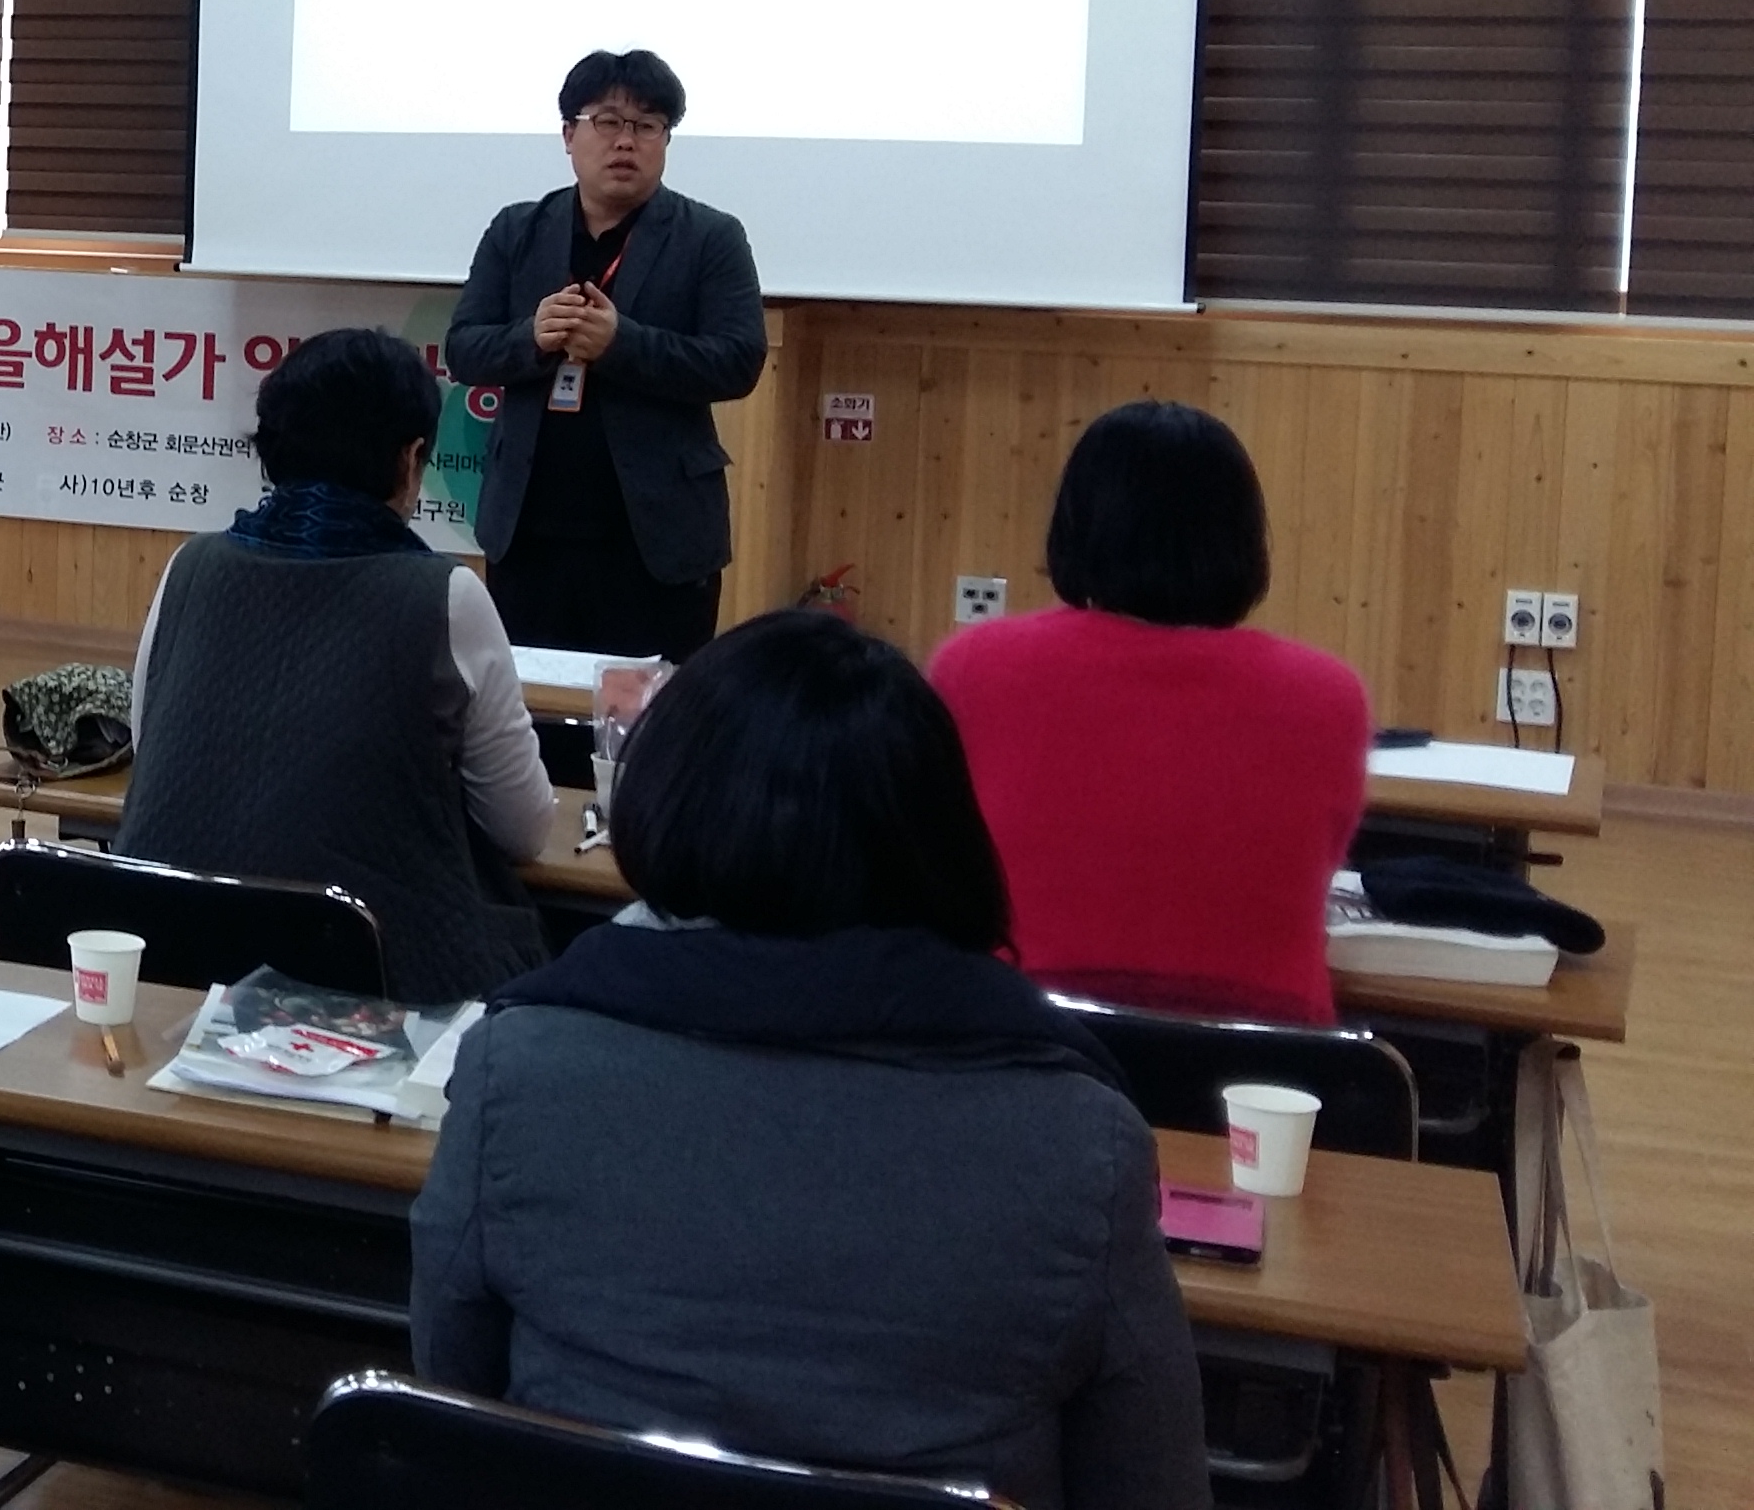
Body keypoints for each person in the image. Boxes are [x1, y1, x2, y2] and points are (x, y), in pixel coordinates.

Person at [411, 611, 1205, 1509]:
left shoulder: (515, 1073)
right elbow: (1153, 1484)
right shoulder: (1080, 1141)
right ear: (939, 832)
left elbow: (451, 1407)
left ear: (665, 798)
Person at [116, 327, 562, 1004]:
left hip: (169, 955)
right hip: (373, 982)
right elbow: (524, 830)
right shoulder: (446, 595)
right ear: (410, 458)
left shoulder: (191, 565)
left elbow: (150, 745)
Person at [930, 401, 1371, 1025]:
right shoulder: (1329, 696)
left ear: (1078, 526)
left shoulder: (974, 667)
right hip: (1260, 1059)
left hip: (1020, 1040)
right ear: (1244, 540)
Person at [443, 49, 766, 661]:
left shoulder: (710, 237)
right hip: (529, 534)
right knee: (527, 707)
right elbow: (464, 349)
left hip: (656, 543)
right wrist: (531, 338)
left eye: (647, 125)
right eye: (608, 122)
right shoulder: (516, 230)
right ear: (569, 135)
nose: (626, 141)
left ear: (666, 140)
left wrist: (622, 345)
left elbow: (738, 360)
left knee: (654, 714)